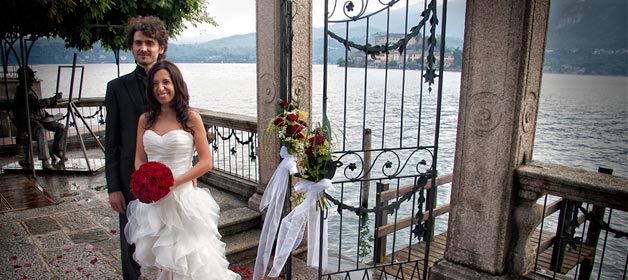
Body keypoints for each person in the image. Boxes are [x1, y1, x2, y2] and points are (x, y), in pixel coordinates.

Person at [124, 60, 240, 280]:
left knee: (190, 259)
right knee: (163, 262)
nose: (160, 88)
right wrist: (145, 180)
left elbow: (206, 162)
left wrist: (172, 183)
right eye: (155, 83)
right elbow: (139, 158)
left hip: (183, 199)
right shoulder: (145, 119)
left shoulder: (190, 118)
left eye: (166, 82)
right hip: (155, 203)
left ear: (176, 84)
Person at [105, 15, 169, 280]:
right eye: (138, 43)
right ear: (131, 47)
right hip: (129, 179)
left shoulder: (171, 84)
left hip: (168, 177)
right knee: (131, 241)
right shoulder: (116, 88)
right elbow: (111, 141)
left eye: (149, 43)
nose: (143, 48)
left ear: (160, 47)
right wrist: (114, 187)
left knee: (167, 239)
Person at [12, 65, 65, 170]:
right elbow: (37, 104)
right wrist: (52, 99)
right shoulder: (23, 91)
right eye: (31, 77)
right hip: (29, 122)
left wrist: (49, 116)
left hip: (40, 119)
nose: (33, 79)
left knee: (60, 127)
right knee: (40, 131)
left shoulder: (29, 90)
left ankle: (57, 149)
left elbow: (37, 108)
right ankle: (45, 160)